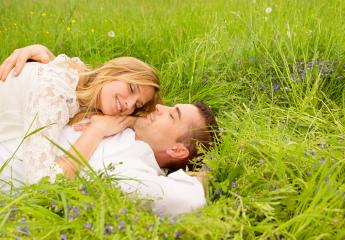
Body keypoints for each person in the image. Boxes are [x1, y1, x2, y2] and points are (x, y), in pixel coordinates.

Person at [1, 102, 218, 216]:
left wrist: (203, 174)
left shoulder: (133, 169)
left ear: (177, 150)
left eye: (172, 115)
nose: (161, 107)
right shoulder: (124, 115)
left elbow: (190, 200)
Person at [0, 45, 161, 183]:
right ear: (114, 72)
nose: (129, 104)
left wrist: (130, 121)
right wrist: (97, 131)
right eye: (132, 89)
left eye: (137, 105)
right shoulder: (54, 88)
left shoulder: (76, 81)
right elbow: (40, 183)